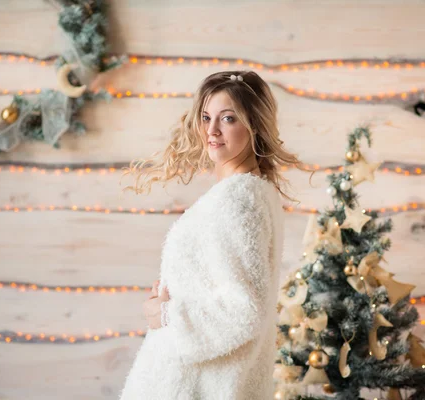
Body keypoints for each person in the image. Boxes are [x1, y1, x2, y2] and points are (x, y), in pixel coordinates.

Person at [118, 70, 313, 399]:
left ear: (254, 125)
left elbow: (244, 311)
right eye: (206, 117)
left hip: (197, 386)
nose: (211, 130)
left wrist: (165, 315)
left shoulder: (238, 200)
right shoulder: (252, 192)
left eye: (228, 118)